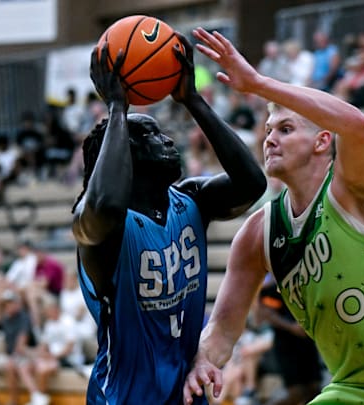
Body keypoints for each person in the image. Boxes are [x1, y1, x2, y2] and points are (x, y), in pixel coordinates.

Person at [184, 27, 364, 405]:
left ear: (323, 141)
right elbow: (223, 331)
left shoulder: (354, 189)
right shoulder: (257, 234)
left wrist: (259, 84)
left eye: (286, 129)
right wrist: (202, 361)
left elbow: (356, 125)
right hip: (354, 389)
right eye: (268, 130)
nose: (270, 139)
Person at [71, 35, 266, 405]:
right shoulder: (99, 225)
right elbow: (107, 204)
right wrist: (117, 108)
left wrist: (192, 100)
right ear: (125, 155)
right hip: (123, 397)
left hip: (186, 392)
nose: (168, 140)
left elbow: (252, 183)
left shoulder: (191, 199)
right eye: (150, 135)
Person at [258, 276, 322, 405]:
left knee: (314, 390)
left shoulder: (308, 284)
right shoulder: (270, 289)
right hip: (286, 345)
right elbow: (266, 313)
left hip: (308, 343)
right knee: (297, 392)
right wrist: (291, 327)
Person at [17, 296, 83, 405]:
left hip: (67, 359)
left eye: (48, 311)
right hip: (52, 357)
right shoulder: (49, 324)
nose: (47, 314)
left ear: (55, 309)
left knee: (42, 368)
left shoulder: (68, 322)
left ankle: (40, 400)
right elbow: (44, 345)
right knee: (24, 367)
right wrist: (36, 353)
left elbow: (69, 348)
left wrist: (51, 356)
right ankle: (37, 397)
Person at [0, 289, 32, 405]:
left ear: (16, 303)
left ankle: (14, 401)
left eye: (10, 302)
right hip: (9, 354)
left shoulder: (23, 317)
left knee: (9, 367)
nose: (8, 305)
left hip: (23, 355)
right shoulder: (5, 319)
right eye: (6, 303)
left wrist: (12, 358)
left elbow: (22, 342)